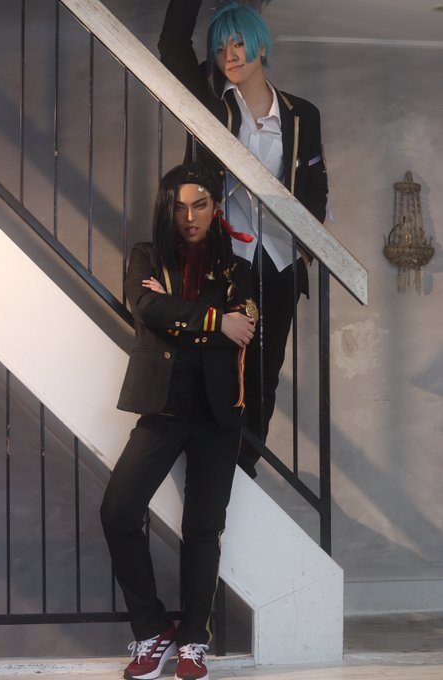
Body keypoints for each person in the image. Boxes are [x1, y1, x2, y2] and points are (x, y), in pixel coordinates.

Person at [100, 162, 256, 680]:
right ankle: (152, 630)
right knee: (119, 511)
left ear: (215, 209)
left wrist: (178, 315)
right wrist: (213, 321)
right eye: (180, 207)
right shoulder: (146, 256)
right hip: (163, 409)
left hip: (218, 414)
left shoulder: (236, 267)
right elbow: (147, 309)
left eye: (200, 205)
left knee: (203, 530)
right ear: (167, 209)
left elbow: (243, 329)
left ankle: (192, 640)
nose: (190, 217)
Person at [158, 1, 328, 478]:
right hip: (224, 256)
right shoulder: (211, 103)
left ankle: (244, 463)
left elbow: (316, 188)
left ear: (261, 46)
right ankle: (208, 460)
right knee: (214, 359)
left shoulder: (301, 115)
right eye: (219, 48)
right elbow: (171, 45)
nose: (229, 55)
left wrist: (303, 254)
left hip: (278, 260)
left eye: (238, 43)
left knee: (264, 371)